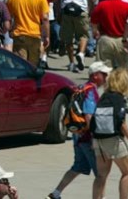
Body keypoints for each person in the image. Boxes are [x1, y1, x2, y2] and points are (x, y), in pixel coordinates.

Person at [46, 61, 111, 199]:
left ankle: (55, 194)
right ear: (95, 76)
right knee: (101, 174)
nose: (106, 76)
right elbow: (89, 115)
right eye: (104, 74)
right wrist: (95, 137)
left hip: (78, 136)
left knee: (78, 167)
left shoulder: (81, 87)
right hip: (88, 137)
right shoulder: (91, 91)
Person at [91, 68, 128, 199]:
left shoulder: (103, 97)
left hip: (98, 140)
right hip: (113, 140)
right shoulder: (119, 99)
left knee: (101, 175)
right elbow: (121, 122)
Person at [57, 0, 98, 72]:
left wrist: (59, 13)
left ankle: (71, 62)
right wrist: (90, 11)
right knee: (84, 35)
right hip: (82, 9)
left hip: (67, 10)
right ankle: (80, 52)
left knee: (68, 39)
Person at [6, 0, 50, 67]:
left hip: (20, 34)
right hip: (35, 35)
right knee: (32, 66)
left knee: (21, 66)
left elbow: (9, 16)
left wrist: (9, 30)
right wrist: (47, 36)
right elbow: (45, 18)